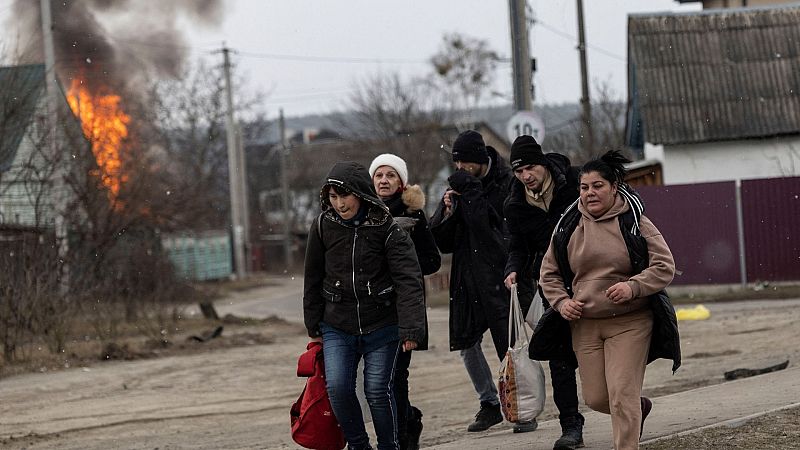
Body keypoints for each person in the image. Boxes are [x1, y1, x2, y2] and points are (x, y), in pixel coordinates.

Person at [538, 150, 678, 450]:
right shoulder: (568, 225)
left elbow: (664, 265)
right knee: (597, 398)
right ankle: (637, 409)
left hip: (630, 322)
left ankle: (627, 432)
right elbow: (547, 274)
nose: (590, 193)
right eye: (584, 187)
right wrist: (562, 303)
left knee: (620, 395)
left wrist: (634, 287)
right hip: (585, 324)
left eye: (597, 186)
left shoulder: (634, 221)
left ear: (614, 187)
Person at [303, 161, 427, 450]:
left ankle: (389, 445)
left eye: (343, 196)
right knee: (338, 389)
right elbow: (312, 278)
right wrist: (313, 325)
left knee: (376, 391)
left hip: (383, 324)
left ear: (359, 194)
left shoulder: (387, 228)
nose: (339, 203)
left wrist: (411, 328)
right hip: (337, 324)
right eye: (332, 197)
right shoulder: (323, 225)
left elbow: (409, 280)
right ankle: (359, 445)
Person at [430, 130, 537, 433]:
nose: (460, 167)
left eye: (465, 161)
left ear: (479, 159)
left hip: (502, 278)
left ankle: (522, 409)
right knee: (467, 344)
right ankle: (489, 403)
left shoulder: (507, 183)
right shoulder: (463, 187)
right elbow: (443, 243)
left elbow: (495, 238)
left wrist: (473, 193)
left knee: (510, 347)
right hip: (467, 280)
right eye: (457, 162)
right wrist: (446, 212)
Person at [501, 135, 586, 449]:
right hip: (550, 285)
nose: (526, 176)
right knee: (560, 359)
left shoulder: (574, 183)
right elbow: (517, 247)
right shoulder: (516, 204)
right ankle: (571, 426)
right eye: (519, 171)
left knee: (599, 353)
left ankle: (626, 406)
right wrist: (512, 268)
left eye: (531, 167)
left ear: (544, 164)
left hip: (589, 278)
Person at [369, 153, 441, 450]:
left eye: (391, 176)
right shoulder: (364, 213)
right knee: (375, 379)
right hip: (372, 310)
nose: (384, 181)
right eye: (379, 175)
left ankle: (401, 434)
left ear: (401, 182)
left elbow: (432, 261)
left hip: (404, 307)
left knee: (396, 375)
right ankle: (406, 420)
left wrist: (401, 268)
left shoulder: (414, 215)